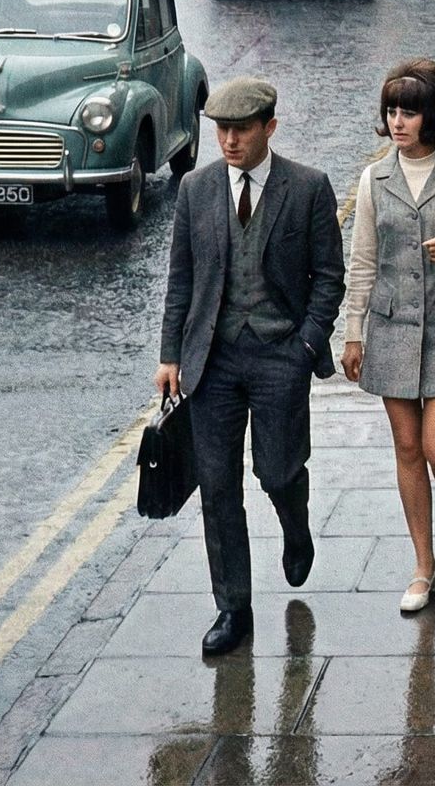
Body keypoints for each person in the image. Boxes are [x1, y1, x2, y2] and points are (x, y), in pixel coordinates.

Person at [155, 78, 346, 657]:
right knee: (217, 486)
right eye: (221, 130)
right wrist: (170, 355)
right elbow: (182, 278)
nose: (229, 140)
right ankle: (232, 608)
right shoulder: (196, 188)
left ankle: (296, 523)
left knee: (277, 470)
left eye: (241, 129)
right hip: (212, 360)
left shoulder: (307, 187)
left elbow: (329, 278)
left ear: (269, 127)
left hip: (278, 355)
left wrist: (306, 347)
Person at [340, 61, 435, 614]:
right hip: (391, 326)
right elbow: (362, 261)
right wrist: (353, 332)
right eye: (392, 111)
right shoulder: (373, 179)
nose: (398, 122)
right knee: (407, 449)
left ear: (433, 116)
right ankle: (423, 568)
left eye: (409, 111)